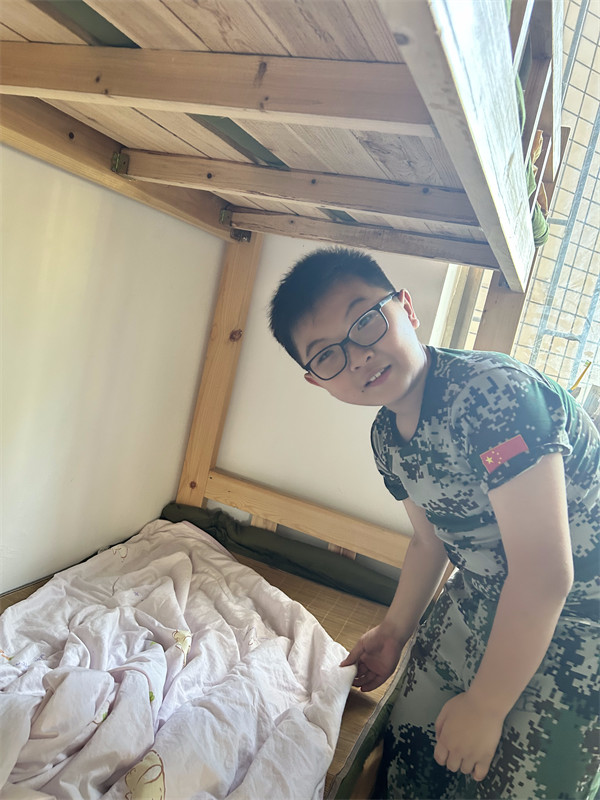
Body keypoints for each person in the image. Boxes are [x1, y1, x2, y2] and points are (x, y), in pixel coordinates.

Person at [268, 246, 599, 799]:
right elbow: (429, 542)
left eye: (365, 321)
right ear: (316, 380)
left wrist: (486, 706)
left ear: (406, 308)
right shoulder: (386, 438)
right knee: (408, 747)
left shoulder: (494, 395)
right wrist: (394, 631)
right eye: (327, 355)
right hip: (482, 594)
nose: (358, 357)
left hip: (581, 621)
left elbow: (544, 576)